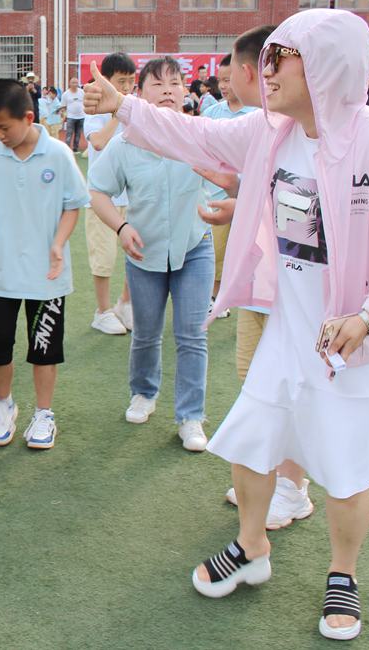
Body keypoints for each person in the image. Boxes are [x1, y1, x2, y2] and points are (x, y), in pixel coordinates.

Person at [85, 8, 369, 641]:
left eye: (280, 60)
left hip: (352, 339)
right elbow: (193, 139)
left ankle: (343, 576)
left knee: (347, 469)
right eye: (264, 59)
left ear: (326, 66)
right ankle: (251, 549)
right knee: (248, 441)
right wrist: (124, 107)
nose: (263, 73)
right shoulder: (270, 132)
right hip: (289, 331)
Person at [198, 26, 316, 529]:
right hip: (262, 286)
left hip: (300, 291)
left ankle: (293, 487)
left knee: (298, 390)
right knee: (255, 380)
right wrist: (241, 204)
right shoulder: (263, 128)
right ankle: (272, 479)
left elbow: (307, 227)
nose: (254, 78)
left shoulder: (318, 134)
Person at [88, 56, 232, 452]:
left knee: (192, 335)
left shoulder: (202, 135)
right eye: (157, 83)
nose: (168, 89)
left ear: (186, 91)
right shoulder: (124, 143)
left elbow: (230, 183)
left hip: (194, 248)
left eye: (175, 82)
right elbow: (97, 191)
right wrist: (121, 227)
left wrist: (224, 206)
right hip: (143, 252)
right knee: (147, 334)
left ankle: (190, 417)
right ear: (137, 93)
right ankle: (143, 393)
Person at [0, 79, 89, 449]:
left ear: (28, 117)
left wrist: (58, 243)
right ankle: (4, 406)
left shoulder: (57, 154)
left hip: (46, 276)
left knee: (44, 350)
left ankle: (43, 413)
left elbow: (73, 204)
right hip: (2, 273)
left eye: (4, 126)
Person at [201, 54, 258, 317]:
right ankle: (214, 297)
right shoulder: (212, 113)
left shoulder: (256, 114)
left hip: (250, 196)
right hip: (216, 194)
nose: (224, 86)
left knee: (246, 251)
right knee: (217, 251)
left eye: (229, 79)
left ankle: (238, 295)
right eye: (221, 80)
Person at [84, 52, 136, 335]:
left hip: (133, 196)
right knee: (103, 258)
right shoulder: (93, 109)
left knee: (135, 253)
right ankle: (102, 311)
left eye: (130, 81)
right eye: (120, 82)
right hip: (102, 199)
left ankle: (124, 304)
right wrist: (117, 113)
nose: (126, 88)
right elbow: (99, 142)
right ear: (104, 80)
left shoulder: (135, 107)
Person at [60, 77, 85, 153]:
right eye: (73, 82)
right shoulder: (65, 94)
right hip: (70, 117)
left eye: (76, 82)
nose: (75, 84)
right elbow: (63, 107)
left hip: (81, 117)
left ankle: (75, 149)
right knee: (69, 134)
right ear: (69, 83)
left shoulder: (82, 92)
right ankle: (67, 149)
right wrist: (63, 116)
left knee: (78, 134)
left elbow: (85, 103)